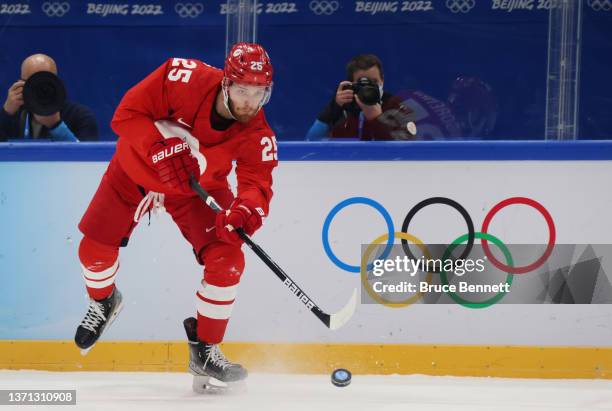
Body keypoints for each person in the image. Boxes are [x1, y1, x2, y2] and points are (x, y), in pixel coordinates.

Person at [73, 43, 277, 387]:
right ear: (226, 82)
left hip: (197, 189)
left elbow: (258, 183)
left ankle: (205, 350)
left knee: (228, 260)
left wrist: (245, 210)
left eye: (259, 94)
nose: (248, 102)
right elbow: (125, 114)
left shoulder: (256, 131)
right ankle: (104, 301)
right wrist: (157, 148)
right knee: (93, 253)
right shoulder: (181, 76)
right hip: (135, 169)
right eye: (242, 90)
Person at [306, 54, 416, 141]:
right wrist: (333, 107)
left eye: (374, 82)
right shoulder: (343, 107)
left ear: (382, 80)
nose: (369, 88)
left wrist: (377, 120)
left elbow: (407, 146)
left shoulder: (395, 105)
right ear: (351, 84)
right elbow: (311, 140)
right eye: (362, 83)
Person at [0, 54, 99, 141]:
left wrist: (56, 125)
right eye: (31, 82)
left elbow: (87, 159)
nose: (38, 89)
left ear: (56, 83)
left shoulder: (80, 116)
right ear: (19, 83)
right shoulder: (13, 114)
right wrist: (5, 114)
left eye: (44, 82)